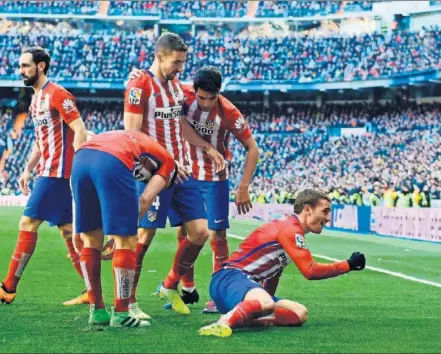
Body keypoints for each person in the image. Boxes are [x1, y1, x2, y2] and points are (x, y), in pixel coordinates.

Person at [0, 46, 89, 305]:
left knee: (28, 224)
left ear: (41, 66)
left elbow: (80, 130)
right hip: (46, 171)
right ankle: (92, 291)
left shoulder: (58, 94)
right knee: (68, 232)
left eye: (26, 66)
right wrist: (26, 168)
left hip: (57, 174)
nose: (21, 71)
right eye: (20, 66)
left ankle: (8, 287)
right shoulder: (36, 99)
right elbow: (40, 140)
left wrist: (78, 169)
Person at [123, 32, 225, 319]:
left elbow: (180, 126)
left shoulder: (177, 87)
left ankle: (170, 284)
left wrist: (207, 148)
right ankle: (128, 302)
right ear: (160, 56)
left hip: (181, 171)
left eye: (183, 62)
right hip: (153, 171)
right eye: (176, 62)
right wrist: (163, 161)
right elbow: (132, 135)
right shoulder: (140, 84)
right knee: (143, 237)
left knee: (200, 231)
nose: (180, 68)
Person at [198, 189, 366, 337]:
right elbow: (310, 271)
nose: (328, 218)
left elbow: (274, 275)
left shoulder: (290, 228)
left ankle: (244, 315)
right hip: (230, 278)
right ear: (308, 209)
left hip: (238, 285)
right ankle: (224, 323)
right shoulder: (290, 229)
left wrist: (264, 301)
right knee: (266, 303)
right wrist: (348, 265)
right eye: (325, 211)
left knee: (299, 313)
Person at [169, 66, 259, 313]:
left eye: (211, 98)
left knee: (217, 234)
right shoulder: (183, 94)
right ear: (194, 91)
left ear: (219, 93)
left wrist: (244, 186)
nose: (205, 103)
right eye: (201, 98)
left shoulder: (229, 113)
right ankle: (187, 289)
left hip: (215, 177)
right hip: (186, 171)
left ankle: (218, 295)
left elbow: (253, 149)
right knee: (185, 231)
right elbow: (179, 125)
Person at [71, 130, 177, 329]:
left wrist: (82, 227)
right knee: (127, 240)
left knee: (91, 239)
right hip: (112, 161)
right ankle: (121, 314)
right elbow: (145, 199)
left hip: (81, 158)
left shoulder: (131, 139)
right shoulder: (169, 163)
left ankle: (97, 310)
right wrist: (122, 227)